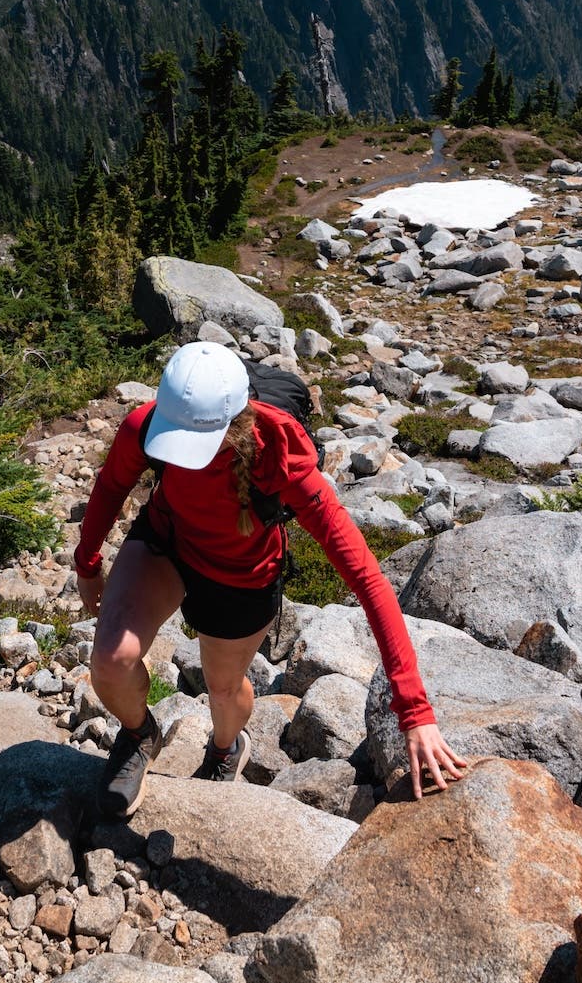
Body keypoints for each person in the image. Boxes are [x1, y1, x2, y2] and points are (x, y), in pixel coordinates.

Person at [71, 340, 469, 818]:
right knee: (111, 660)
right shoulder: (149, 422)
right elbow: (112, 484)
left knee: (223, 688)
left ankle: (225, 748)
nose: (179, 454)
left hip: (243, 577)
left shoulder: (282, 459)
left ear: (234, 426)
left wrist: (414, 710)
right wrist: (87, 563)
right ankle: (139, 735)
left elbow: (366, 578)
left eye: (192, 443)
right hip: (168, 541)